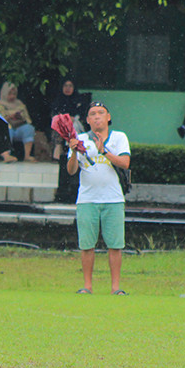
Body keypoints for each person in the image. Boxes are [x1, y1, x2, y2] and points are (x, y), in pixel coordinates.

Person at [66, 101, 130, 295]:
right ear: (87, 120)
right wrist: (73, 152)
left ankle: (115, 287)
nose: (97, 117)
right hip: (87, 198)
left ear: (108, 117)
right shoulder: (81, 139)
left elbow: (125, 163)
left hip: (113, 198)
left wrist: (103, 151)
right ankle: (87, 285)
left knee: (115, 245)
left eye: (101, 113)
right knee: (87, 244)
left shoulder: (118, 137)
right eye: (92, 114)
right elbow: (71, 171)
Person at [50, 78, 85, 202]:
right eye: (65, 85)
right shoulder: (58, 101)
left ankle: (72, 191)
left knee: (73, 164)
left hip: (75, 139)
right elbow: (55, 117)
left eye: (70, 86)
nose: (68, 88)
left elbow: (82, 117)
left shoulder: (78, 101)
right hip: (62, 139)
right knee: (64, 164)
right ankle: (62, 192)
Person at [0, 82, 38, 163]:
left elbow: (28, 120)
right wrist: (9, 117)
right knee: (6, 129)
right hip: (7, 127)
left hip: (18, 127)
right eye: (9, 94)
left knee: (29, 128)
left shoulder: (19, 104)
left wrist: (20, 117)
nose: (12, 96)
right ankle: (6, 156)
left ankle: (27, 155)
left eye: (14, 94)